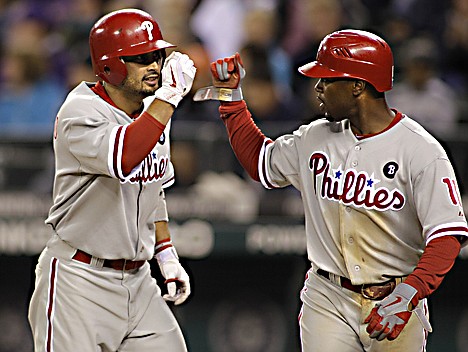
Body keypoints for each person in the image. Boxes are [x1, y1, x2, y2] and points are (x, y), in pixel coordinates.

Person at [194, 29, 468, 351]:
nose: (318, 88)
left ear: (357, 86)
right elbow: (260, 162)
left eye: (327, 79)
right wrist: (232, 101)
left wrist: (410, 292)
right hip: (328, 296)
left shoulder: (420, 150)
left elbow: (447, 235)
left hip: (396, 294)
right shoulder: (313, 136)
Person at [28, 8, 196, 352]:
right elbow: (124, 159)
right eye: (141, 58)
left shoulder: (154, 109)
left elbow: (154, 188)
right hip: (80, 280)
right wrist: (167, 100)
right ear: (109, 66)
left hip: (138, 282)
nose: (154, 66)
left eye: (157, 56)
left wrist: (165, 254)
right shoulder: (80, 110)